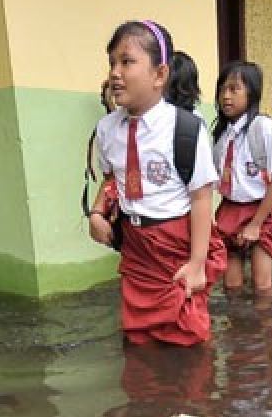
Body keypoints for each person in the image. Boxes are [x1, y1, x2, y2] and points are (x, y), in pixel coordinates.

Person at [87, 20, 226, 346]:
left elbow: (202, 199)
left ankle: (195, 394)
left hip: (177, 243)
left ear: (159, 75)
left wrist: (196, 264)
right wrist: (96, 213)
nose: (115, 73)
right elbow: (112, 181)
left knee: (189, 333)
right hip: (136, 247)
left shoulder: (186, 129)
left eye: (127, 61)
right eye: (112, 63)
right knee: (138, 338)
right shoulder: (107, 129)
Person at [212, 61, 272, 296]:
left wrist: (255, 224)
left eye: (234, 89)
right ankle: (239, 333)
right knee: (231, 288)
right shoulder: (221, 134)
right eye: (222, 89)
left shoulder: (263, 127)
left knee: (262, 289)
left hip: (260, 212)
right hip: (229, 211)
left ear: (251, 93)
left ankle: (263, 332)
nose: (226, 96)